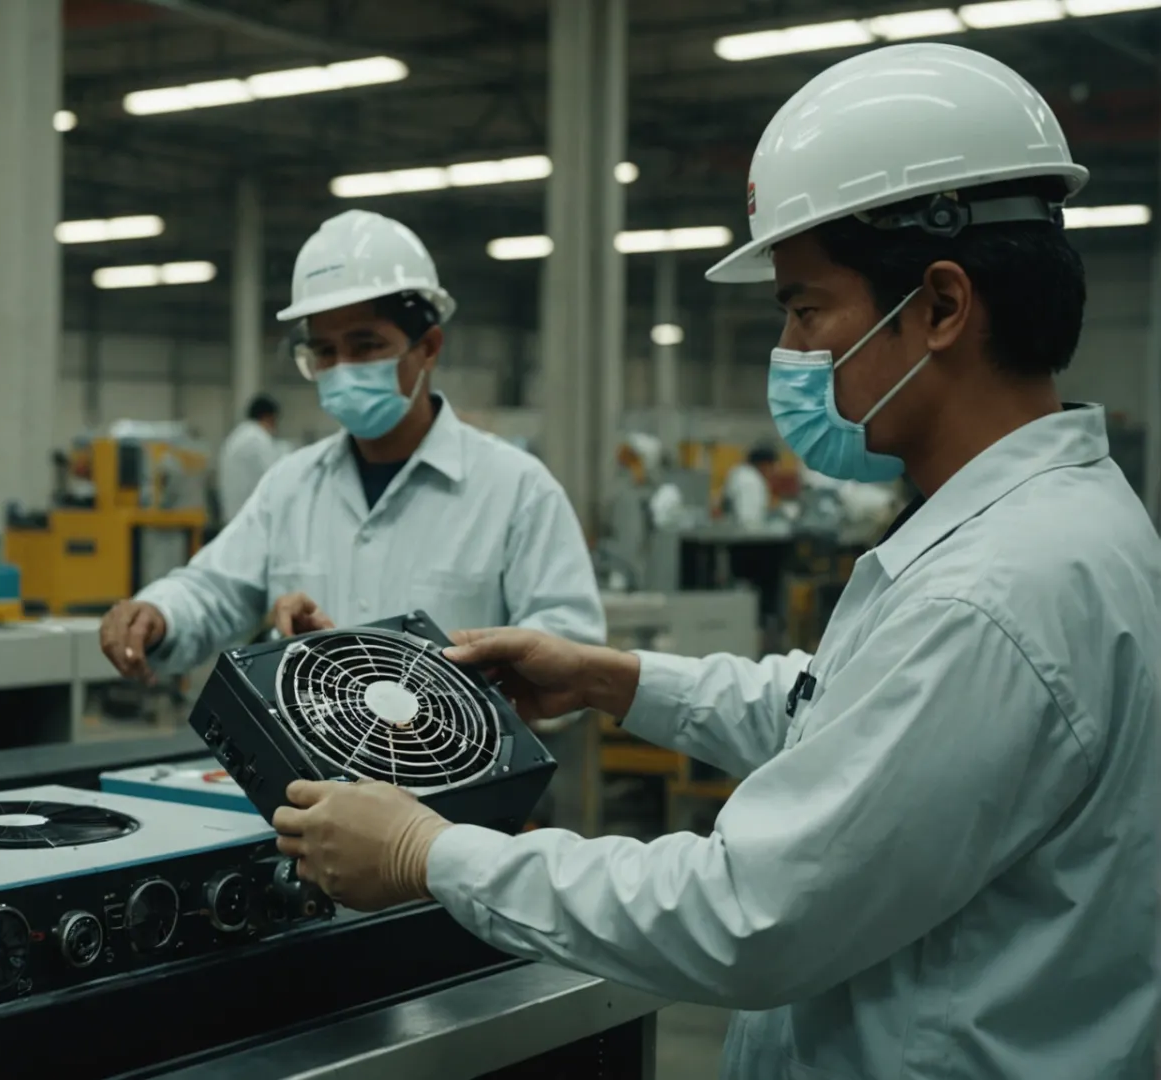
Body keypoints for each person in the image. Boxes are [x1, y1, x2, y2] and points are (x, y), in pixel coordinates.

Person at [272, 43, 1159, 1079]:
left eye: (802, 307)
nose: (788, 349)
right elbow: (837, 718)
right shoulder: (1047, 531)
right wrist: (611, 678)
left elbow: (749, 913)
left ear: (940, 306)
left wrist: (430, 852)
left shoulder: (996, 592)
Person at [99, 208, 605, 683]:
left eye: (366, 346)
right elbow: (214, 591)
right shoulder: (291, 486)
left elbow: (568, 650)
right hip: (309, 774)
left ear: (428, 347)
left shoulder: (515, 489)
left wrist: (464, 688)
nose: (342, 368)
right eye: (324, 351)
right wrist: (159, 613)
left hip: (456, 773)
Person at [215, 394, 285, 524]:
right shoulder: (257, 439)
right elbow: (275, 476)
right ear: (269, 416)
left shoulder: (238, 436)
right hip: (251, 520)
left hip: (233, 516)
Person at [721, 443, 777, 528]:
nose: (773, 472)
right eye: (772, 467)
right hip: (745, 536)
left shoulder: (739, 472)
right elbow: (749, 520)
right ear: (764, 464)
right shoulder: (751, 481)